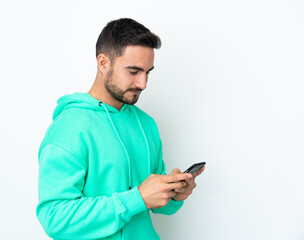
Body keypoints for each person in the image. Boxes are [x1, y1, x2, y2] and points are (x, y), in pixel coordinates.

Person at [36, 18, 205, 240]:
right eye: (133, 71)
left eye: (148, 72)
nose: (143, 83)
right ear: (103, 63)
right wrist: (137, 199)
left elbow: (157, 204)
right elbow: (55, 218)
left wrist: (174, 194)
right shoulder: (70, 128)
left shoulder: (146, 124)